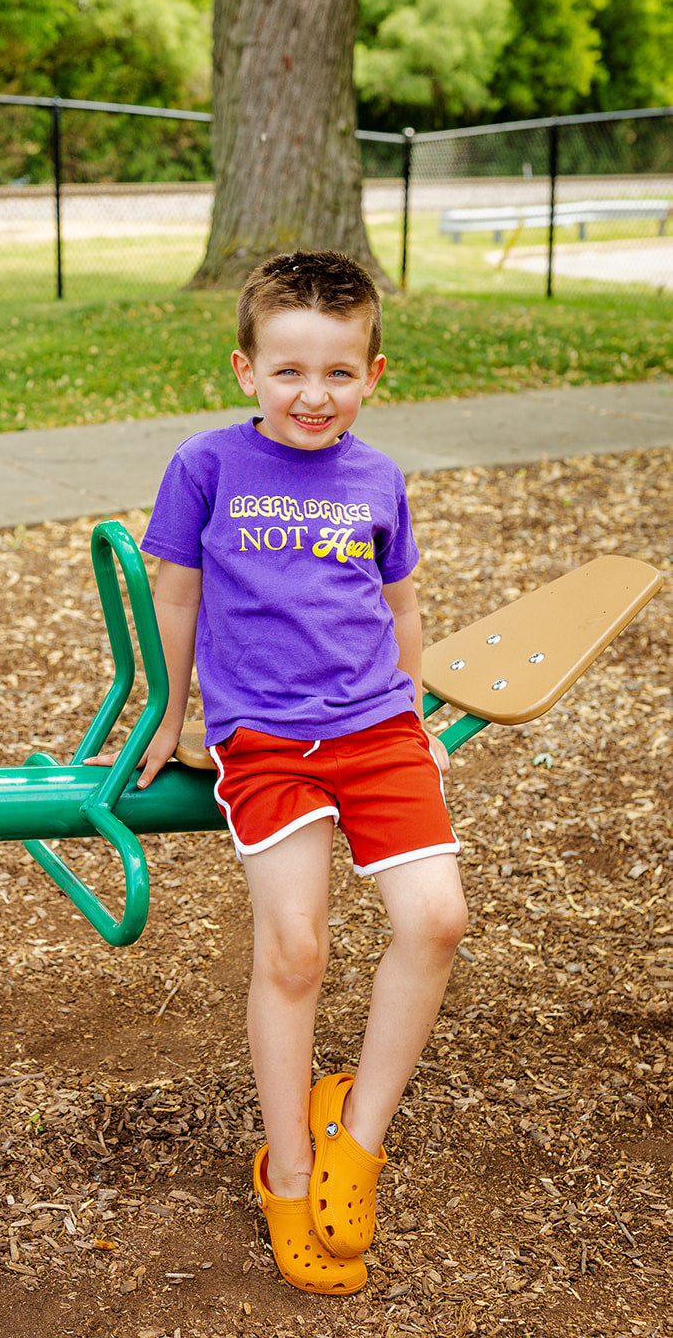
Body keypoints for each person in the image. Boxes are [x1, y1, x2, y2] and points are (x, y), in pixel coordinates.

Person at [135, 250, 469, 1295]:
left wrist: (411, 708)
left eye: (336, 372)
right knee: (293, 949)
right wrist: (164, 711)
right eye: (286, 371)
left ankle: (354, 1141)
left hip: (375, 728)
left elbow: (400, 603)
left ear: (374, 374)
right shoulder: (205, 466)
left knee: (434, 919)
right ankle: (284, 1171)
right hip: (265, 739)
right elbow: (175, 594)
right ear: (243, 368)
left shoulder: (376, 477)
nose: (311, 395)